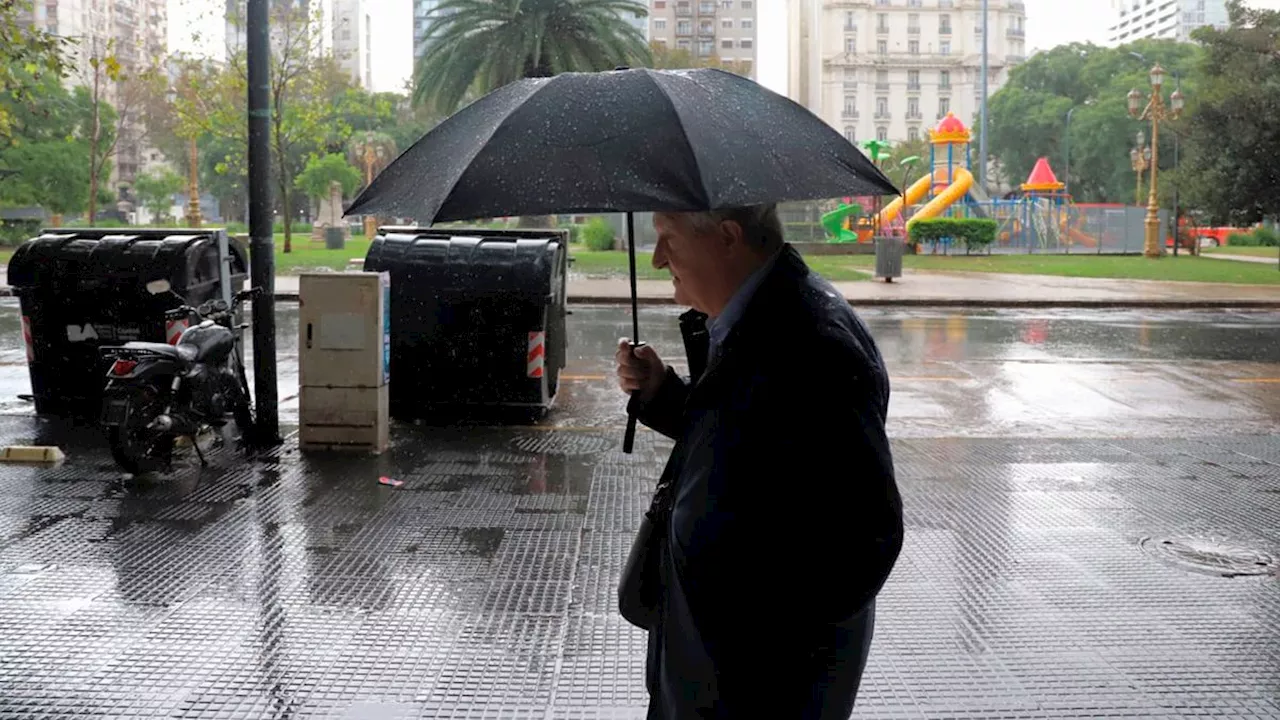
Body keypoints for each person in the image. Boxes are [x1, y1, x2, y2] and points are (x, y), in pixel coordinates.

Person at [615, 205, 903, 719]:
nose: (658, 259)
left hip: (752, 692)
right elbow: (750, 441)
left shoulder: (811, 346)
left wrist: (750, 640)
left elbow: (864, 541)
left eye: (668, 239)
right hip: (711, 677)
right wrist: (663, 394)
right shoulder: (758, 324)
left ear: (728, 237)